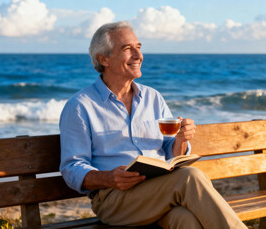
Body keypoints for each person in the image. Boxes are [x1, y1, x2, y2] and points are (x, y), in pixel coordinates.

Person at [59, 21, 247, 229]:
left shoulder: (153, 98)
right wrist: (110, 178)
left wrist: (180, 140)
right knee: (190, 177)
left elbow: (170, 152)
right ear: (104, 59)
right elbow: (71, 168)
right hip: (114, 199)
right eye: (127, 49)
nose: (138, 56)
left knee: (186, 220)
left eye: (138, 48)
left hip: (158, 191)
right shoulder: (80, 105)